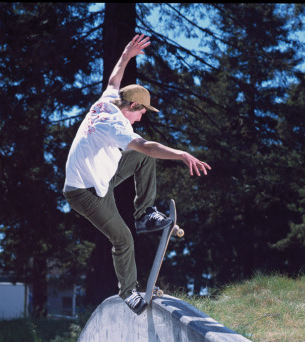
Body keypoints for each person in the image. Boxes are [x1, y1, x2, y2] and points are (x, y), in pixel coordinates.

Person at [63, 34, 211, 315]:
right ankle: (128, 291)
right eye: (141, 112)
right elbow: (146, 145)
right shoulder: (115, 125)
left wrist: (127, 55)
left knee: (141, 158)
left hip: (100, 178)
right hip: (83, 194)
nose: (142, 117)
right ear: (132, 107)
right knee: (123, 239)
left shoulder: (107, 101)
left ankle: (144, 214)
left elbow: (113, 80)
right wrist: (180, 154)